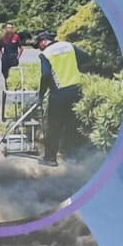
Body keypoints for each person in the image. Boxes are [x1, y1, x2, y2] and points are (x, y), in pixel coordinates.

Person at [36, 31, 87, 165]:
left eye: (39, 44)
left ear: (44, 41)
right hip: (76, 90)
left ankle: (50, 158)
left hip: (58, 94)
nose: (39, 48)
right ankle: (72, 157)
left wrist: (41, 95)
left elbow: (46, 75)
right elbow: (86, 57)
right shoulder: (69, 46)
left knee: (54, 126)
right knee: (72, 125)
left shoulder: (46, 53)